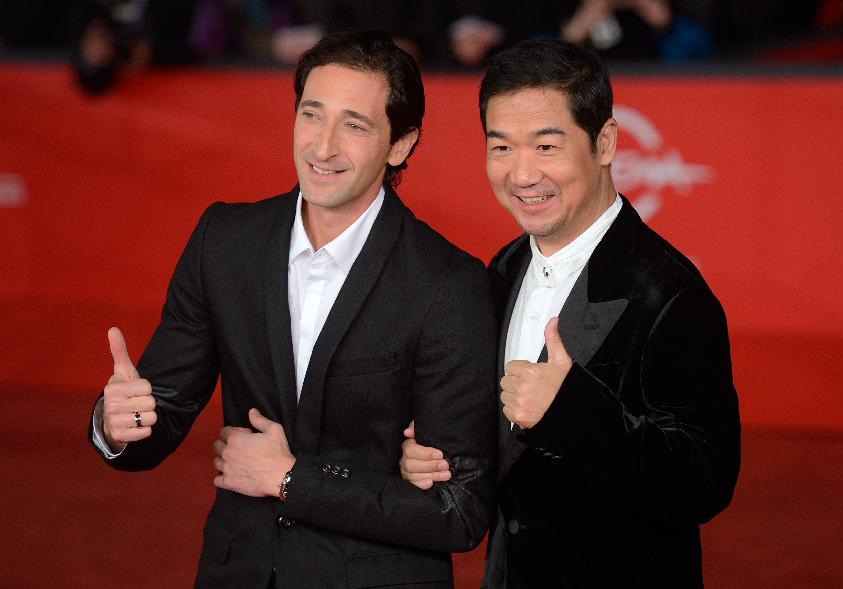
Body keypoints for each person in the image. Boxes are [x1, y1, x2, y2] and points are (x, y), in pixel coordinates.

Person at [88, 30, 497, 589]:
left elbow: (460, 510)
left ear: (401, 144)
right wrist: (119, 426)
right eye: (311, 115)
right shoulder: (224, 242)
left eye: (354, 125)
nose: (322, 147)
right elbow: (159, 415)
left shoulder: (448, 285)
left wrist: (291, 480)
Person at [400, 38, 740, 588]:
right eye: (501, 147)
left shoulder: (670, 293)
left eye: (547, 146)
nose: (522, 175)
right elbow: (506, 453)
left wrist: (572, 413)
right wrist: (440, 458)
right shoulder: (502, 270)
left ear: (604, 143)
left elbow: (704, 482)